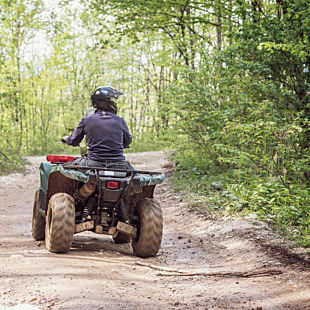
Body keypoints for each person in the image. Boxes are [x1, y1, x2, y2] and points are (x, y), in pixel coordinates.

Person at [62, 86, 133, 170]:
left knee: (64, 168)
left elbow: (73, 140)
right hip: (119, 165)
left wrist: (66, 139)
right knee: (136, 177)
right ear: (111, 103)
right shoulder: (120, 121)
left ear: (95, 103)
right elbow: (127, 141)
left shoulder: (87, 120)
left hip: (93, 164)